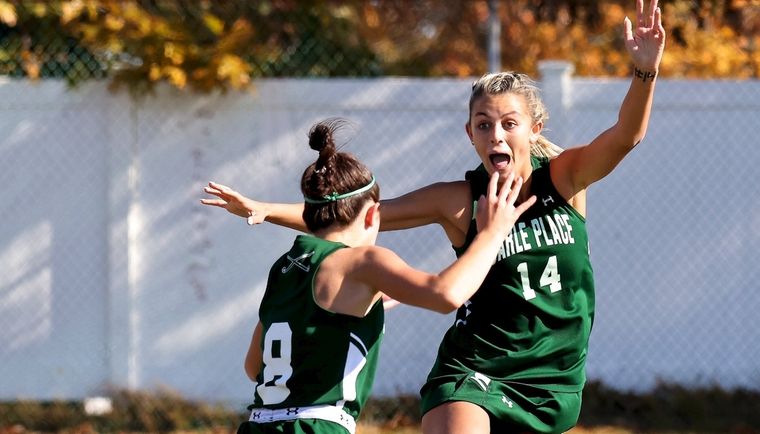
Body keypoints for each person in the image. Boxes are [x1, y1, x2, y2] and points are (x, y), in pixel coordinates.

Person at [203, 0, 665, 431]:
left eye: (509, 123)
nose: (495, 135)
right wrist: (265, 211)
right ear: (470, 133)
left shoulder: (564, 180)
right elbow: (353, 217)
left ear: (534, 129)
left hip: (555, 379)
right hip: (474, 369)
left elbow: (626, 136)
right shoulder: (458, 200)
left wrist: (645, 71)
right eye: (483, 125)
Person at [220, 118, 534, 434]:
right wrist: (492, 233)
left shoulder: (287, 266)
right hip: (317, 427)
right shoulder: (364, 261)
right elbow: (446, 295)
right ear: (373, 214)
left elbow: (253, 365)